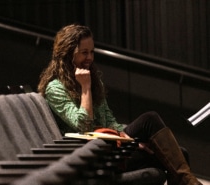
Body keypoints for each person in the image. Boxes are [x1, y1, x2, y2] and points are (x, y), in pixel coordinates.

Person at [38, 24, 202, 185]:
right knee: (163, 136)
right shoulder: (55, 88)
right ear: (68, 54)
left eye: (92, 52)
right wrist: (85, 88)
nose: (90, 58)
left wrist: (128, 140)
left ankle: (188, 182)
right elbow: (84, 127)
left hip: (109, 143)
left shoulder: (94, 80)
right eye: (84, 53)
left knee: (175, 148)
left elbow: (109, 120)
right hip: (90, 155)